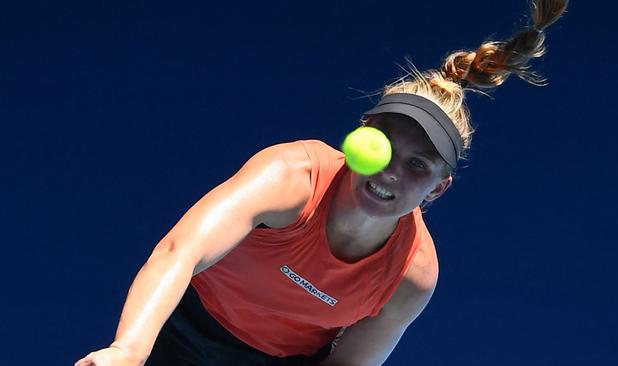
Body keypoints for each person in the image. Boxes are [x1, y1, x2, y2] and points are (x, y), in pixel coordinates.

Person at [75, 1, 568, 365]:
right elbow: (179, 252)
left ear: (438, 190)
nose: (391, 172)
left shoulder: (412, 275)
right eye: (385, 149)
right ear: (360, 138)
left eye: (419, 166)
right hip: (180, 330)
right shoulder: (290, 177)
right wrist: (128, 350)